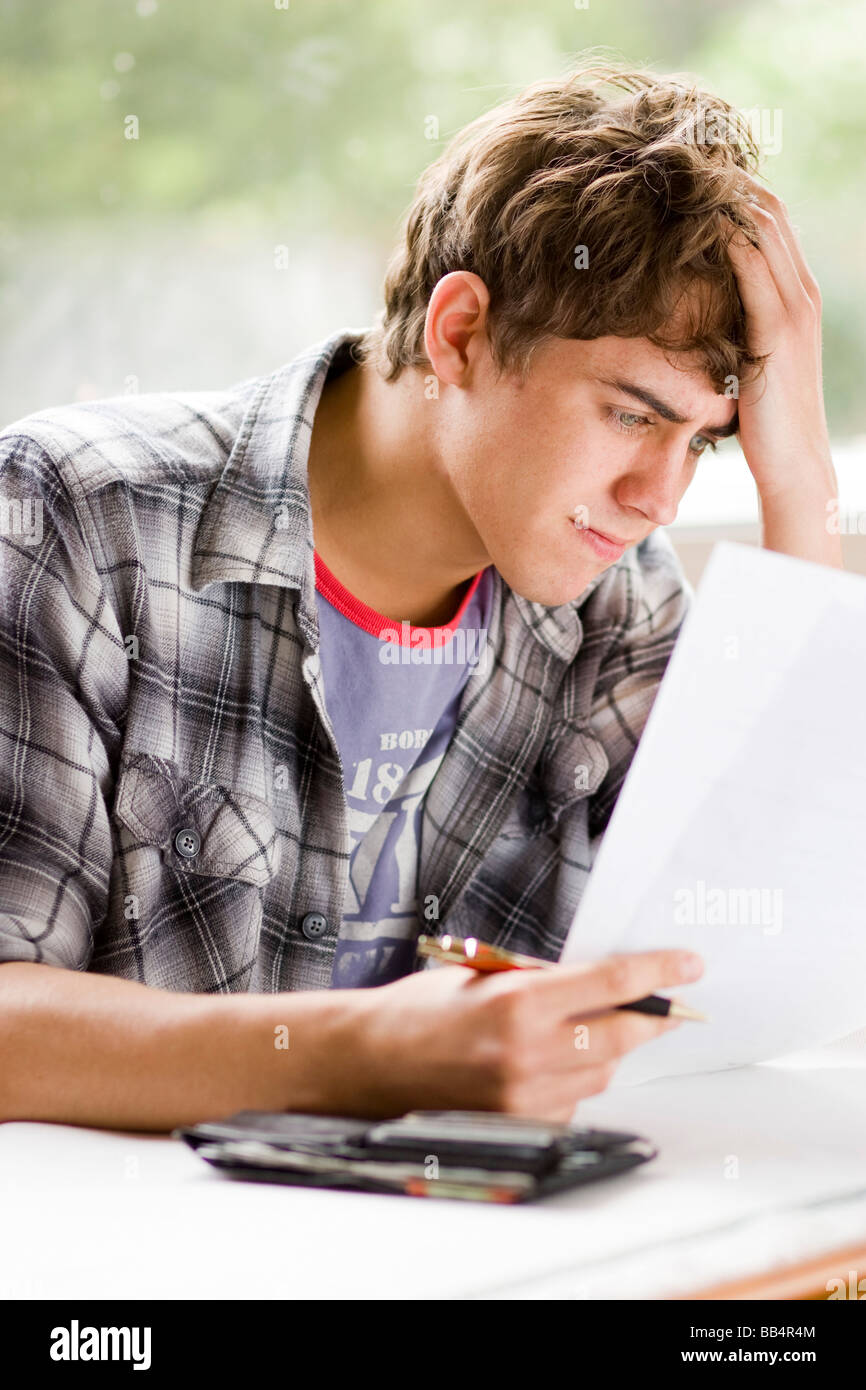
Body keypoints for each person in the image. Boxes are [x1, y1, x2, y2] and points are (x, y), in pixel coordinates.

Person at [0, 59, 840, 1130]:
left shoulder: (614, 605)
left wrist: (798, 491)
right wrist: (372, 1050)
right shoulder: (77, 517)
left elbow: (755, 953)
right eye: (630, 415)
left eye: (702, 444)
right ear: (458, 333)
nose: (655, 498)